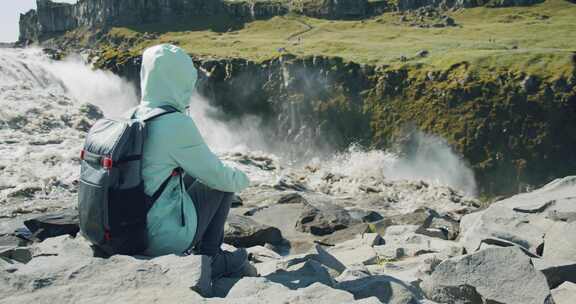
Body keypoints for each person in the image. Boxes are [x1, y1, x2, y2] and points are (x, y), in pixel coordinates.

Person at [134, 44, 251, 279]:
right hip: (157, 240)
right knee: (222, 183)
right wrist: (244, 177)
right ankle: (211, 258)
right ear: (181, 79)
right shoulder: (174, 123)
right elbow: (218, 176)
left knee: (188, 173)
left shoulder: (134, 115)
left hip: (126, 230)